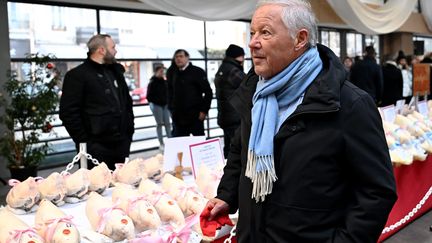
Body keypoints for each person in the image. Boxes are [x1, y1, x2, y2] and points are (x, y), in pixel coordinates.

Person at [205, 1, 397, 242]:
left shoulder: (349, 104)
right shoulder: (255, 92)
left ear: (300, 39)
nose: (253, 42)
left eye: (265, 32)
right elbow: (240, 152)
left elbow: (376, 192)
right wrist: (226, 195)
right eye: (252, 33)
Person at [59, 34, 134, 170]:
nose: (115, 51)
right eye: (113, 47)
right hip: (95, 148)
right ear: (101, 50)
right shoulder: (77, 75)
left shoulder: (116, 72)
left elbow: (127, 104)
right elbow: (68, 112)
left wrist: (129, 132)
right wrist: (85, 141)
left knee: (122, 186)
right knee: (97, 188)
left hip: (121, 144)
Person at [167, 49, 213, 137]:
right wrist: (171, 109)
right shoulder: (172, 72)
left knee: (199, 145)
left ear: (187, 58)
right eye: (176, 57)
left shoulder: (197, 72)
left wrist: (204, 111)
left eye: (181, 56)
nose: (178, 59)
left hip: (195, 116)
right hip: (178, 117)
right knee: (180, 146)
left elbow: (208, 92)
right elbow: (169, 92)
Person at [214, 44, 246, 157]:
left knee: (229, 146)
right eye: (243, 56)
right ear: (238, 56)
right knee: (237, 148)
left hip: (225, 115)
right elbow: (249, 85)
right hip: (234, 116)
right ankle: (234, 173)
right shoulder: (233, 71)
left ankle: (225, 170)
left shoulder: (223, 68)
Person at [146, 65, 172, 151]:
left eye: (163, 71)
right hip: (157, 106)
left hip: (165, 105)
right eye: (160, 71)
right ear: (156, 72)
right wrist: (157, 101)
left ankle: (170, 141)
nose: (162, 73)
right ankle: (161, 143)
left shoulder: (165, 82)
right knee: (159, 124)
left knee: (168, 124)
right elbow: (149, 97)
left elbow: (168, 93)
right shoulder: (152, 82)